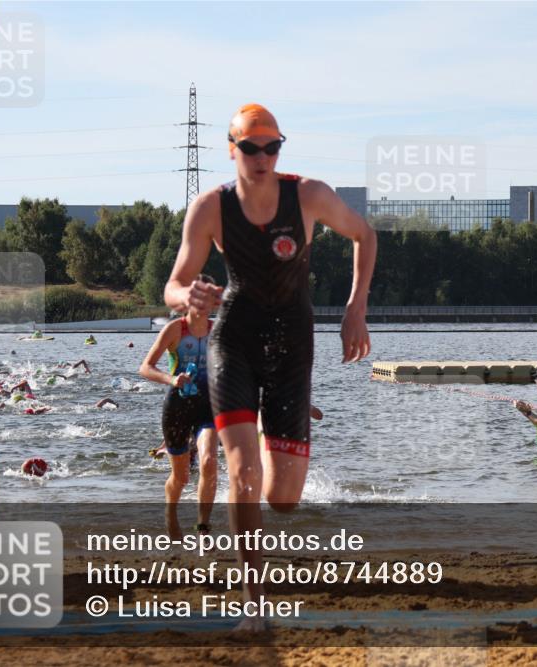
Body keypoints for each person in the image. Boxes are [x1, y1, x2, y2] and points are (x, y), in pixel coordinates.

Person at [163, 103, 376, 628]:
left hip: (291, 345)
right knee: (242, 474)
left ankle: (263, 436)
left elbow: (365, 236)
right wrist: (188, 298)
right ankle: (253, 603)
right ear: (231, 148)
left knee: (282, 499)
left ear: (280, 149)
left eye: (272, 146)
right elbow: (172, 285)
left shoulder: (308, 195)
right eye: (251, 147)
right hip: (232, 341)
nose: (262, 157)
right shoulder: (210, 207)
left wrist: (354, 309)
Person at [140, 275, 220, 539]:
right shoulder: (175, 330)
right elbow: (146, 367)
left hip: (208, 407)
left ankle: (202, 527)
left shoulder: (218, 330)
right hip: (177, 408)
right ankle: (170, 511)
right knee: (182, 477)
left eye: (208, 299)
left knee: (208, 460)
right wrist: (172, 379)